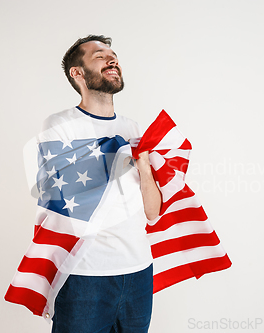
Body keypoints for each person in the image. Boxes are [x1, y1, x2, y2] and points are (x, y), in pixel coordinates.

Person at [47, 35, 162, 333]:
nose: (112, 60)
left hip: (138, 271)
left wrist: (144, 168)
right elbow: (65, 201)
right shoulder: (60, 125)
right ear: (78, 73)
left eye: (113, 55)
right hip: (85, 273)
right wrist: (117, 153)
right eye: (99, 55)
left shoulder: (133, 128)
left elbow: (152, 212)